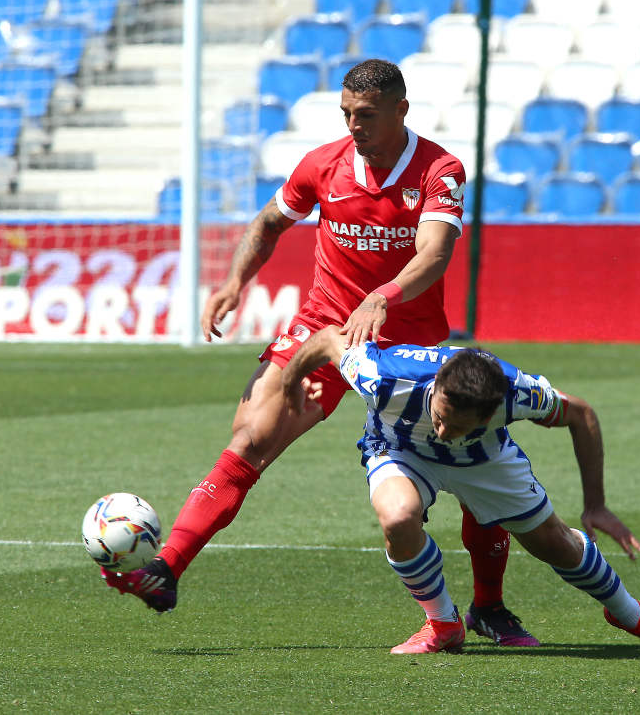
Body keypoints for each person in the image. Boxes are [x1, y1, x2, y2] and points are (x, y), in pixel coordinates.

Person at [104, 59, 538, 644]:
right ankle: (167, 570)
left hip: (411, 345)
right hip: (323, 326)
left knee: (468, 462)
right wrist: (236, 282)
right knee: (251, 437)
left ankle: (488, 605)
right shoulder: (322, 165)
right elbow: (268, 223)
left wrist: (382, 296)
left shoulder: (440, 169)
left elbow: (434, 253)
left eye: (366, 114)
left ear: (399, 110)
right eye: (346, 114)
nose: (354, 125)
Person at [279, 325, 640, 653]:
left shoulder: (517, 392)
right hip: (400, 450)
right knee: (397, 515)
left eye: (458, 425)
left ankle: (630, 614)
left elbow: (583, 415)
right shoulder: (384, 377)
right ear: (437, 388)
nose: (443, 430)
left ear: (492, 412)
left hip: (484, 461)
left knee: (554, 545)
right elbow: (329, 339)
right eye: (439, 415)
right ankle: (444, 624)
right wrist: (289, 381)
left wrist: (596, 504)